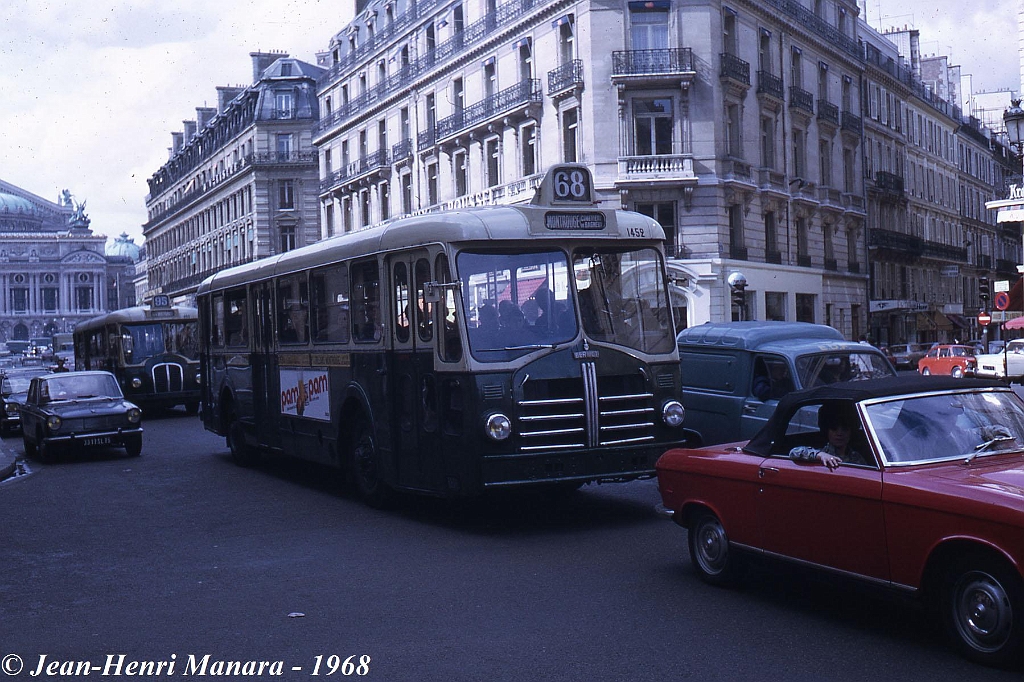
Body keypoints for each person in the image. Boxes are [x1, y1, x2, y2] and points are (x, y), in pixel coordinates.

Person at [789, 401, 870, 470]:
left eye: (844, 429)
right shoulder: (822, 453)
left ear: (851, 431)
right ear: (827, 431)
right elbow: (794, 452)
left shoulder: (857, 457)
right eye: (834, 428)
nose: (839, 433)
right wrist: (819, 455)